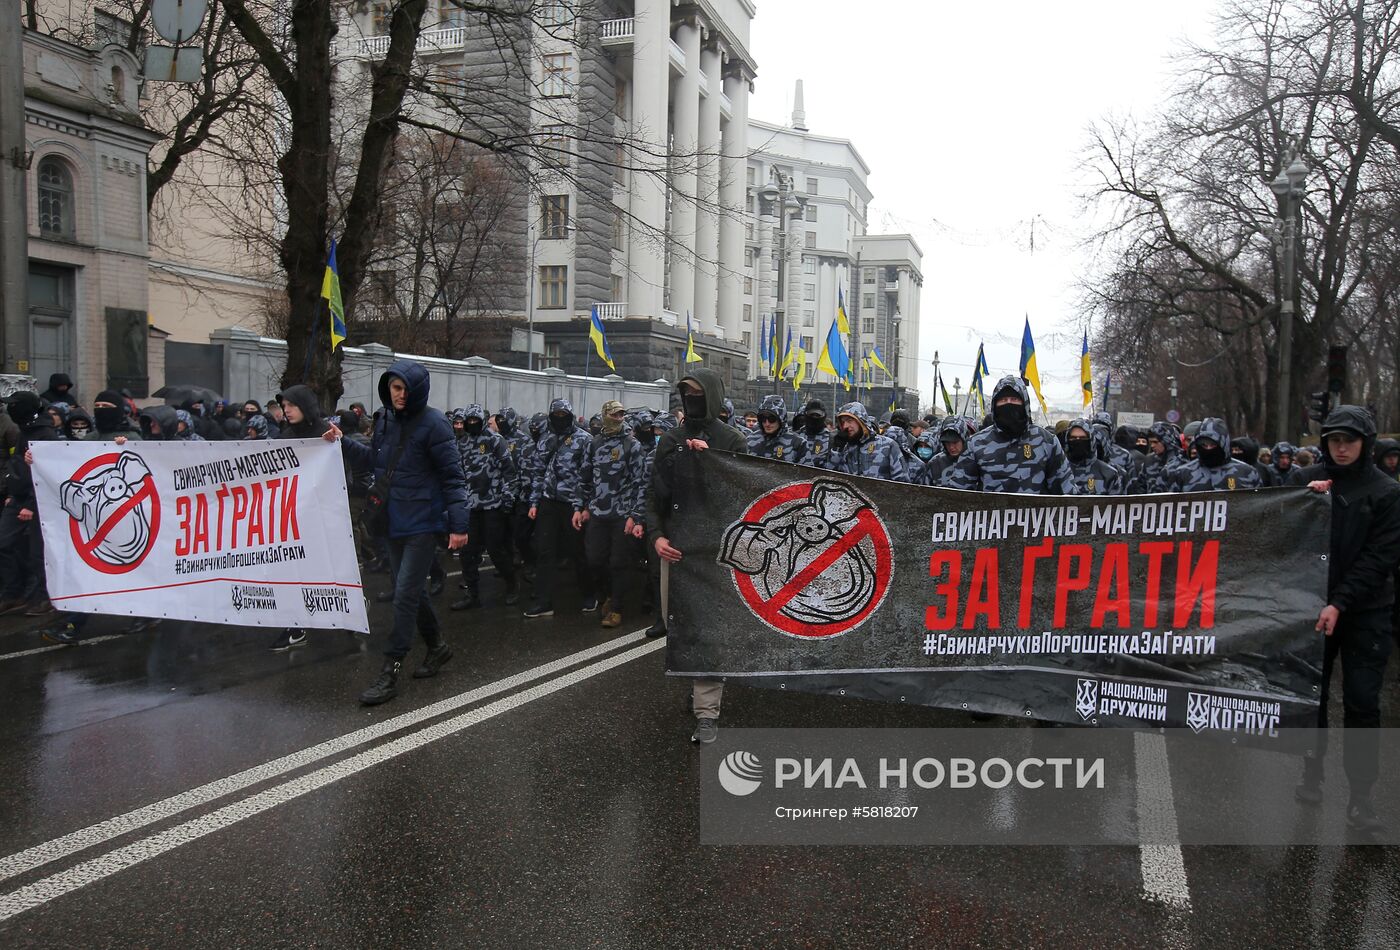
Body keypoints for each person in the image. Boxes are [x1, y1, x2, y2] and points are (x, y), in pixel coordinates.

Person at [325, 361, 469, 706]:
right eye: (395, 388)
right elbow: (374, 462)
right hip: (390, 518)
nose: (400, 395)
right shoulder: (385, 418)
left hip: (422, 520)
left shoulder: (436, 424)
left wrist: (459, 525)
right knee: (411, 590)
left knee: (404, 594)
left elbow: (453, 477)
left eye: (405, 388)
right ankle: (437, 647)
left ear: (418, 389)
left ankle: (390, 668)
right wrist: (342, 442)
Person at [1293, 406, 1400, 833]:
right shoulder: (1311, 483)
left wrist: (1340, 601)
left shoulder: (1386, 492)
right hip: (1314, 607)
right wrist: (1306, 503)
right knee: (1311, 697)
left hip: (1364, 612)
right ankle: (1311, 772)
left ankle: (1360, 795)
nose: (1341, 448)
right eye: (1334, 440)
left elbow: (1380, 558)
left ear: (1365, 444)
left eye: (1350, 441)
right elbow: (1287, 537)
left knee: (1361, 702)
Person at [645, 368, 748, 744]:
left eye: (697, 393)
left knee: (707, 632)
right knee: (680, 627)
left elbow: (742, 498)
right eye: (685, 393)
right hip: (675, 550)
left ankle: (707, 713)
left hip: (714, 553)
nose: (691, 400)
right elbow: (654, 493)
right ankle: (699, 682)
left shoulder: (732, 441)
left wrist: (712, 463)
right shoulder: (670, 439)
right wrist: (656, 536)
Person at [576, 400, 644, 629]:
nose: (619, 418)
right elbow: (585, 478)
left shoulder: (631, 445)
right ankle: (604, 596)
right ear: (605, 416)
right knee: (594, 559)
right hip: (597, 512)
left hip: (622, 514)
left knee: (618, 563)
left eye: (622, 414)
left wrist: (635, 515)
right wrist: (581, 507)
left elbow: (640, 483)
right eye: (615, 415)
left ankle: (617, 608)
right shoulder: (594, 444)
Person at [947, 376, 1075, 495]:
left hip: (1036, 517)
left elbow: (1066, 493)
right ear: (994, 405)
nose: (1009, 404)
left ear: (1024, 403)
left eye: (1014, 399)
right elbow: (957, 495)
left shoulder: (1047, 441)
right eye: (1003, 400)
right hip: (991, 517)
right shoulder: (976, 443)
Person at [524, 398, 593, 618]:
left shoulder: (584, 440)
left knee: (578, 552)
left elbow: (588, 476)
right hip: (548, 502)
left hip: (572, 504)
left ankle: (588, 595)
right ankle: (544, 601)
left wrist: (582, 505)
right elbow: (538, 472)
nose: (560, 419)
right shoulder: (546, 439)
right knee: (544, 551)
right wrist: (534, 502)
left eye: (565, 415)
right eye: (557, 415)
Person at [450, 404, 519, 610]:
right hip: (470, 506)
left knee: (496, 549)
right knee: (467, 552)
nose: (471, 424)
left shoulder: (495, 440)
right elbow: (457, 474)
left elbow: (510, 473)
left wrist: (507, 498)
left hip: (493, 505)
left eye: (474, 421)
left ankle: (512, 584)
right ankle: (473, 594)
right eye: (468, 421)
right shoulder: (462, 443)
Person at [0, 392, 62, 618]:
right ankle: (12, 593)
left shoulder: (45, 434)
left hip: (36, 502)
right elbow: (18, 465)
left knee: (39, 552)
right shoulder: (24, 430)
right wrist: (12, 492)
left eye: (14, 406)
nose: (10, 410)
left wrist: (30, 504)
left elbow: (47, 473)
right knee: (4, 544)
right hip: (17, 499)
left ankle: (43, 597)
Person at [1167, 418, 1262, 492]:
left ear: (1223, 444)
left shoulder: (1248, 473)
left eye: (1213, 445)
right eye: (1204, 445)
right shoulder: (1182, 474)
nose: (1208, 449)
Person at [829, 402, 908, 482]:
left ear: (861, 420)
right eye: (843, 422)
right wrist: (837, 449)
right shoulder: (845, 449)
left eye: (849, 421)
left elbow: (902, 484)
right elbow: (831, 479)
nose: (845, 426)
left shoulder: (888, 445)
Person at [1065, 419, 1125, 495]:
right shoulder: (1058, 472)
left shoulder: (1109, 474)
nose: (1078, 441)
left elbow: (1118, 504)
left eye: (1083, 438)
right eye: (1073, 438)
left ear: (1091, 441)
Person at [747, 394, 809, 463]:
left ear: (781, 419)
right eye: (763, 419)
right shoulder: (751, 440)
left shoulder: (797, 443)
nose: (767, 423)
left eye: (771, 419)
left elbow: (808, 472)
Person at [1131, 422, 1181, 494]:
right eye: (1150, 442)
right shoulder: (1149, 460)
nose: (1152, 446)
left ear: (1166, 440)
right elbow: (1140, 485)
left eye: (1155, 442)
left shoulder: (1182, 460)